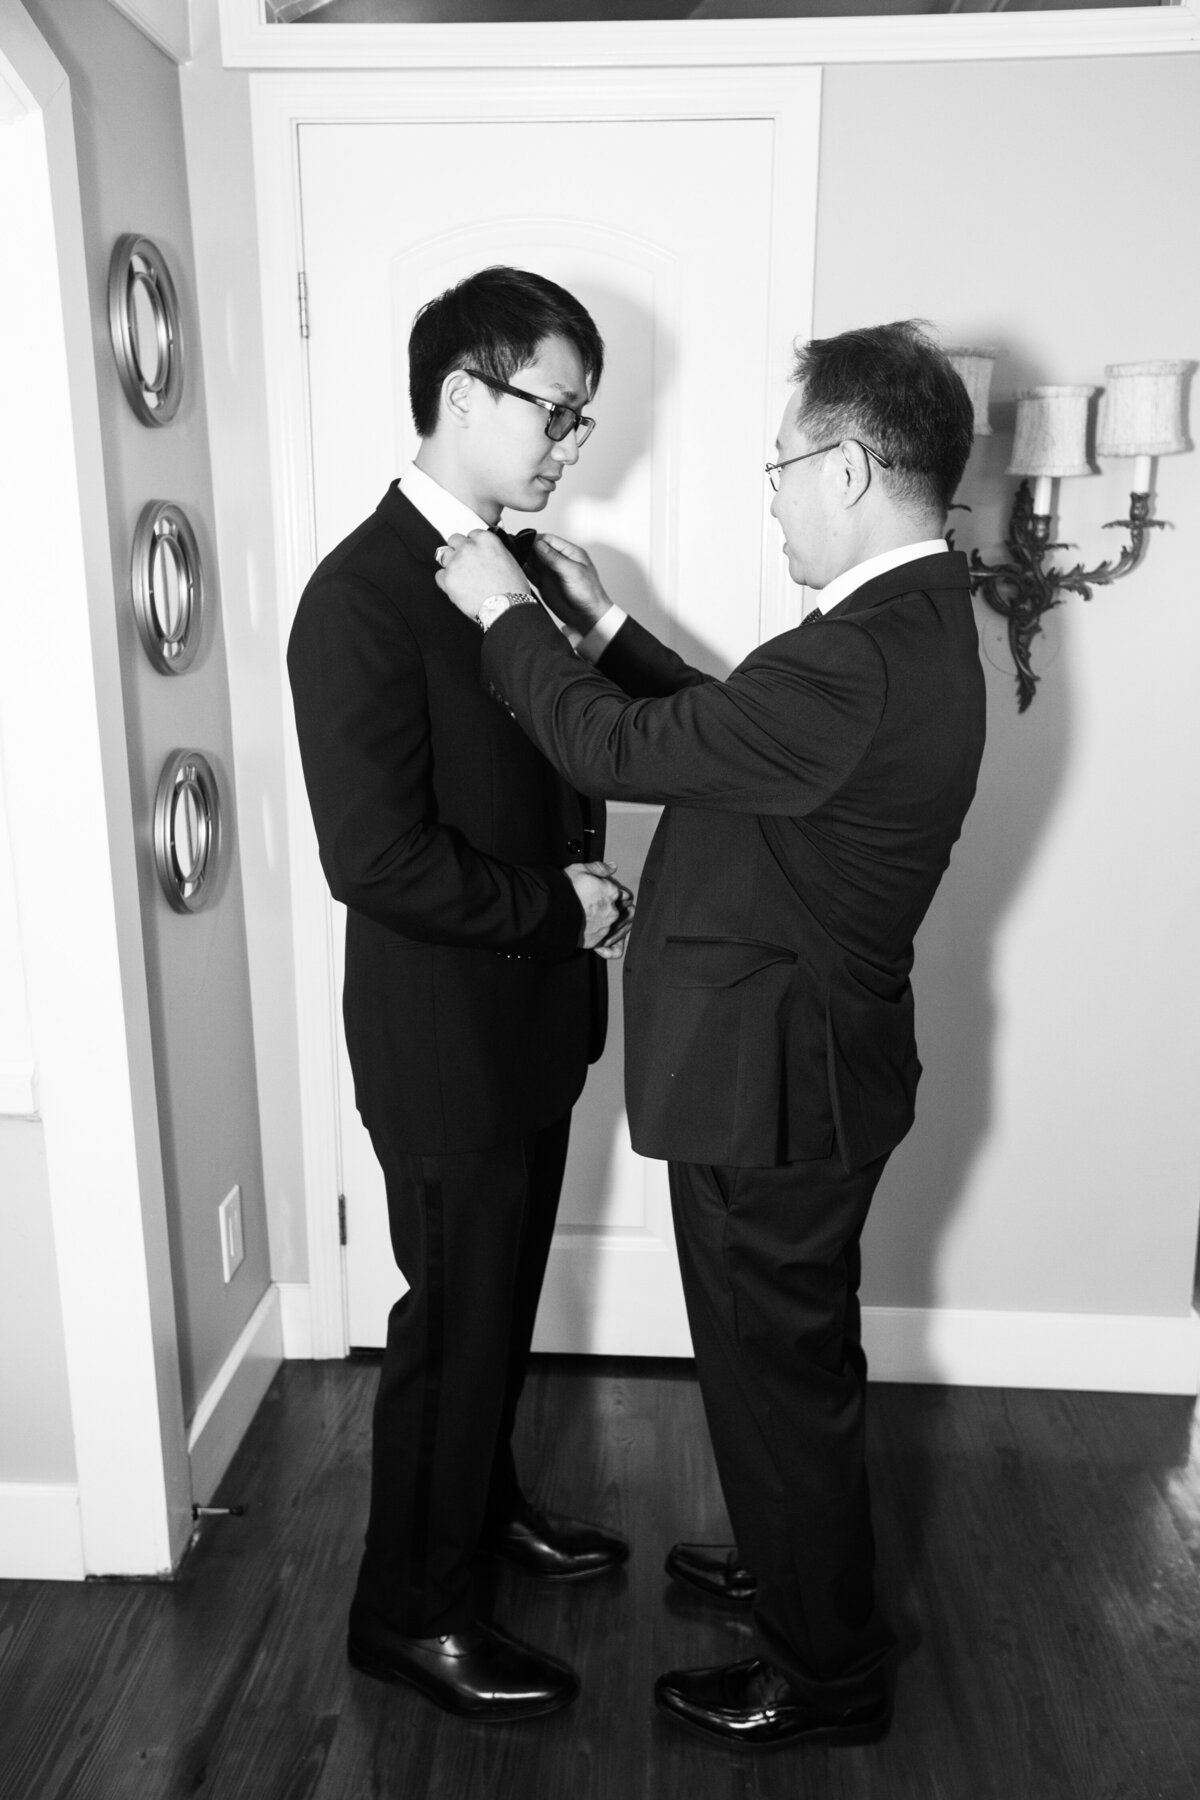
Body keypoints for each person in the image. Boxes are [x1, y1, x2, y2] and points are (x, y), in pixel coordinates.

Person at [436, 320, 986, 1748]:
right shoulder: (902, 629)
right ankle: (801, 1566)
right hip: (803, 1072)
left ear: (853, 467)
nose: (775, 491)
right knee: (786, 1376)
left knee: (778, 1380)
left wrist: (506, 614)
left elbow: (619, 756)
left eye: (785, 463)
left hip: (772, 1090)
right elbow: (744, 744)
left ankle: (825, 1674)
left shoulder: (861, 655)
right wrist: (608, 631)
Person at [287, 266, 634, 1726]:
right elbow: (373, 859)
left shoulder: (535, 572)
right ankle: (408, 1616)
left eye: (584, 413)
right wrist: (557, 905)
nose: (573, 438)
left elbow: (601, 742)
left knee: (494, 1305)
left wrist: (597, 632)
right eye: (556, 407)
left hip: (532, 1027)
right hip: (440, 1039)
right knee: (453, 1323)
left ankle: (482, 1520)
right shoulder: (358, 595)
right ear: (461, 398)